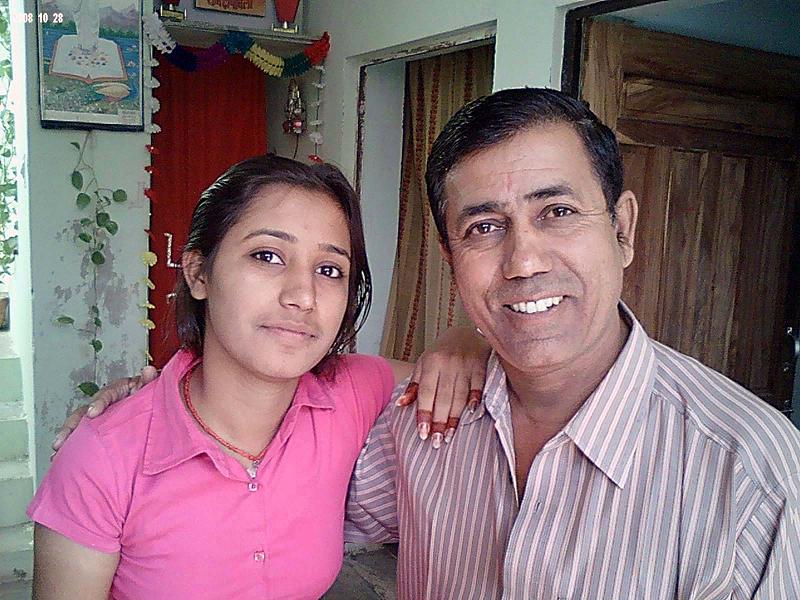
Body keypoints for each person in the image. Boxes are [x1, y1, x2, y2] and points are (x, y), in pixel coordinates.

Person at [57, 89, 800, 599]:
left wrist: (463, 338)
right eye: (484, 227)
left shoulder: (752, 476)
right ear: (450, 259)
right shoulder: (417, 423)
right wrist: (141, 412)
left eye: (557, 211)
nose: (524, 261)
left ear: (624, 229)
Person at [29, 155, 488, 599]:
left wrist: (465, 339)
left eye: (329, 270)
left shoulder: (348, 393)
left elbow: (451, 370)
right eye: (267, 256)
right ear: (199, 273)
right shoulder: (106, 457)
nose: (303, 296)